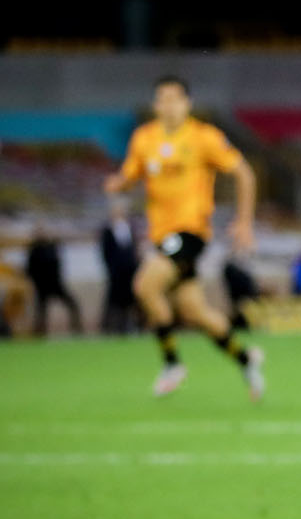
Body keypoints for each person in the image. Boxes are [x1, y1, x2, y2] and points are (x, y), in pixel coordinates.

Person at [105, 76, 264, 400]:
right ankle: (246, 359)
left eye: (175, 98)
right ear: (155, 105)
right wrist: (116, 184)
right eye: (162, 98)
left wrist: (245, 221)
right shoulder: (143, 139)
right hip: (161, 236)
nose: (168, 104)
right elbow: (129, 176)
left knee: (144, 286)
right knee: (194, 312)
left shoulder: (204, 137)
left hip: (190, 232)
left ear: (187, 103)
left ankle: (172, 363)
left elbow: (244, 173)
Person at [26, 225, 83, 336]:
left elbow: (59, 265)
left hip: (56, 284)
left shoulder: (52, 247)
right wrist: (37, 282)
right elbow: (30, 269)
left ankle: (76, 329)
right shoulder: (34, 249)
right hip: (42, 286)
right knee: (41, 311)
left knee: (73, 304)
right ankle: (39, 333)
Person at [100, 198, 140, 334]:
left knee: (130, 300)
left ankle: (129, 325)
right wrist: (110, 269)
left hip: (130, 271)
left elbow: (133, 248)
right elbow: (106, 252)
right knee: (114, 300)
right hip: (116, 272)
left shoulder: (129, 227)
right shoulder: (107, 230)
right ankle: (110, 327)